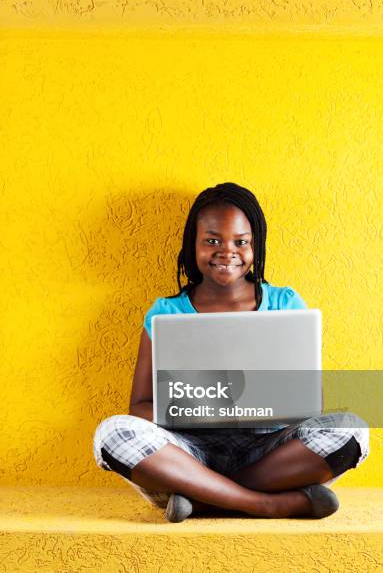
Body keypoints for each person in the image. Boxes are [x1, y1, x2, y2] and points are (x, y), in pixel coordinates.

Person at [93, 183, 369, 522]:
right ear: (191, 245)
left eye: (240, 242)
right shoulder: (165, 312)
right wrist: (193, 408)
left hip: (268, 451)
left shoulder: (285, 304)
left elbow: (310, 403)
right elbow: (138, 407)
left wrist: (260, 398)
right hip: (189, 451)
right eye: (212, 241)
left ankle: (203, 497)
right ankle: (265, 504)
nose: (227, 251)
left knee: (351, 430)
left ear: (255, 246)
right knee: (112, 433)